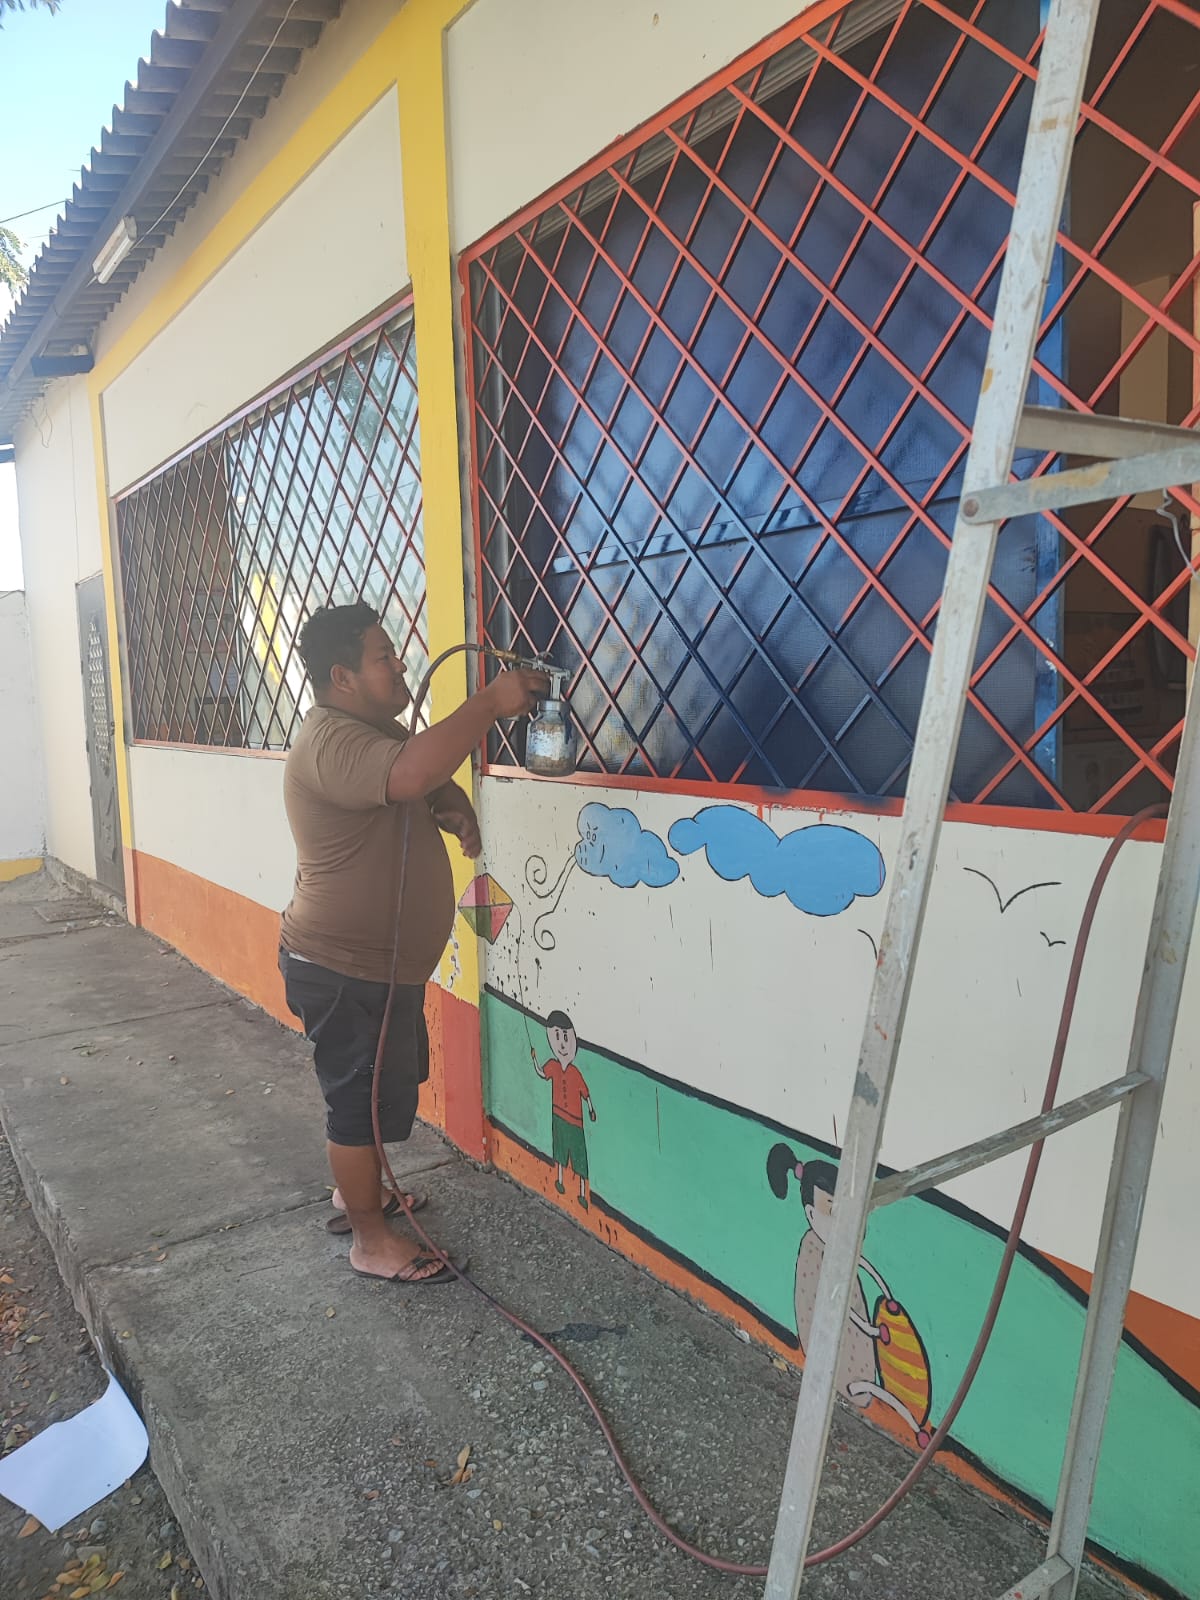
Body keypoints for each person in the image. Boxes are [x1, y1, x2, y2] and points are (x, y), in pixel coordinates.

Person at [279, 602, 547, 1285]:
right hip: (340, 968)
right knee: (357, 1105)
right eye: (383, 657)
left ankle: (359, 1196)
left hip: (375, 968)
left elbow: (411, 773)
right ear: (342, 677)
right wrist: (490, 702)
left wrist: (445, 800)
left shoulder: (371, 732)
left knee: (376, 1095)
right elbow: (404, 774)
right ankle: (370, 1240)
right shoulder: (330, 741)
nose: (400, 665)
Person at [531, 1010, 596, 1208]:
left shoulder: (575, 1073)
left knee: (579, 1159)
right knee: (560, 1152)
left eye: (565, 1037)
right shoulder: (553, 1066)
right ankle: (560, 1181)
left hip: (575, 1122)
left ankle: (582, 1193)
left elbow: (586, 1094)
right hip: (558, 1115)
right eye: (557, 1037)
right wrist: (534, 1059)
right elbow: (541, 1073)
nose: (561, 1044)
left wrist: (591, 1110)